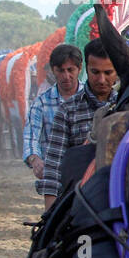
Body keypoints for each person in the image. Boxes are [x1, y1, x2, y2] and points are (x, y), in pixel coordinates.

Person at [40, 38, 118, 211]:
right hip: (81, 203)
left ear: (117, 72)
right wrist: (49, 214)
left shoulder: (127, 108)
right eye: (95, 72)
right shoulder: (68, 111)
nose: (102, 79)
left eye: (108, 72)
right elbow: (54, 166)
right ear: (86, 70)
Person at [24, 43, 83, 196]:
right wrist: (35, 160)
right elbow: (31, 136)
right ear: (53, 71)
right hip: (55, 174)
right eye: (60, 71)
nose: (66, 76)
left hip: (86, 172)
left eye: (70, 70)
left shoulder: (90, 99)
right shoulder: (41, 103)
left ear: (79, 69)